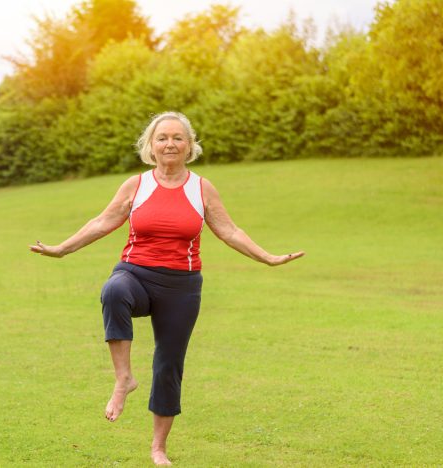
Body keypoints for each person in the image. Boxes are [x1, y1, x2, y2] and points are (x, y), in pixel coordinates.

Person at [29, 111, 305, 466]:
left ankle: (158, 448)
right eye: (162, 138)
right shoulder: (136, 185)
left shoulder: (201, 188)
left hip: (181, 285)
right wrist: (61, 249)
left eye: (177, 137)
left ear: (189, 146)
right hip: (136, 274)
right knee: (114, 291)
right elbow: (103, 222)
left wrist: (267, 257)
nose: (170, 143)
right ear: (151, 146)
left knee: (168, 364)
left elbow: (230, 231)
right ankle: (123, 378)